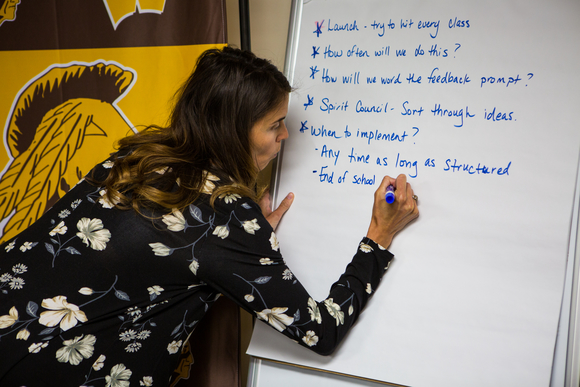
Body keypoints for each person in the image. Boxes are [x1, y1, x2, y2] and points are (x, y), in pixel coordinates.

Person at [0, 46, 419, 386]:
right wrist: (379, 237)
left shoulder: (138, 156)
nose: (285, 136)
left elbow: (151, 263)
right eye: (275, 125)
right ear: (235, 131)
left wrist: (241, 251)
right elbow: (320, 331)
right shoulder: (224, 215)